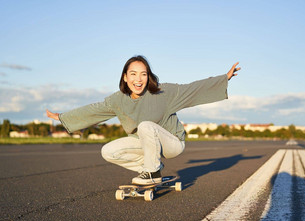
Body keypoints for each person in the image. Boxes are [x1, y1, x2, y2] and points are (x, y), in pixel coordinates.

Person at [46, 55, 241, 185]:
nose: (138, 79)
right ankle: (152, 167)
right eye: (133, 74)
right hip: (147, 144)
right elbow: (94, 110)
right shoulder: (117, 100)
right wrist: (62, 117)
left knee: (146, 125)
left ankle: (152, 172)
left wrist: (224, 78)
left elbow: (193, 89)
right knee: (108, 151)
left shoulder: (163, 93)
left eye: (143, 74)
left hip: (172, 142)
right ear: (125, 77)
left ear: (148, 77)